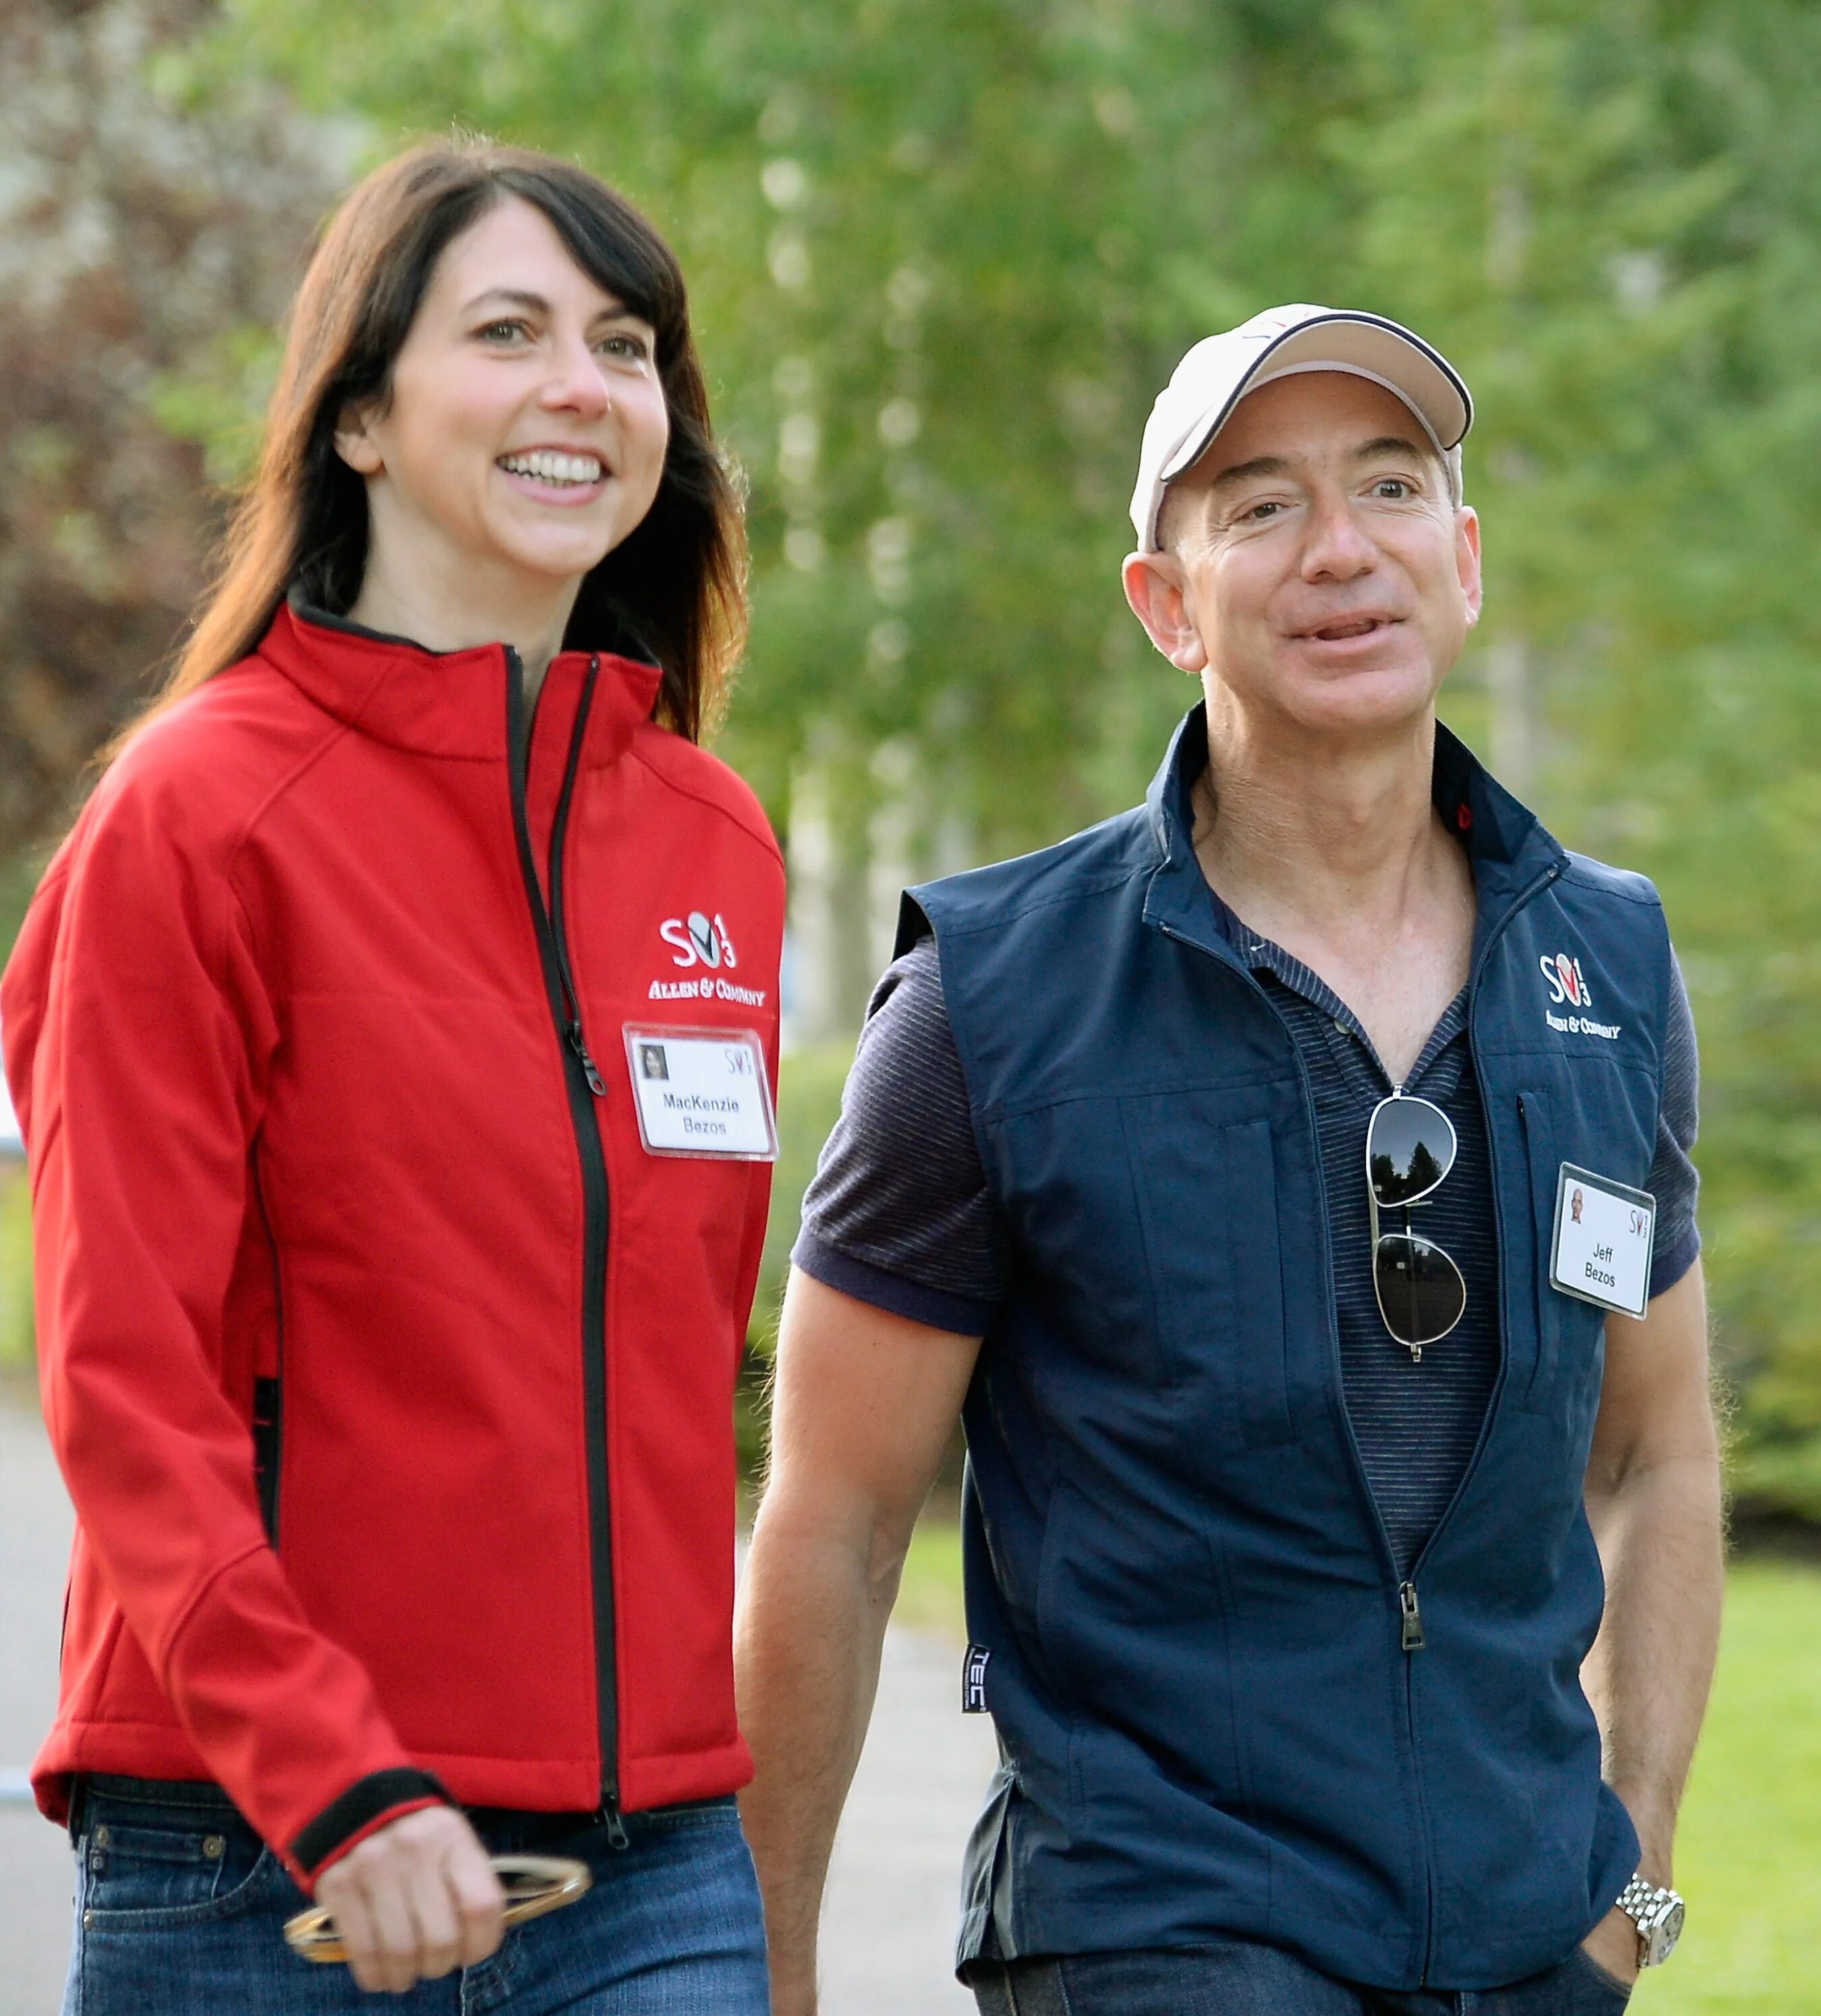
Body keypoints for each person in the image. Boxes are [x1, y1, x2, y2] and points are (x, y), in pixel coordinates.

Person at [735, 305, 1722, 2015]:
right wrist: (771, 1974)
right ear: (1165, 605)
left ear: (1464, 564)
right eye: (1259, 506)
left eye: (1391, 487)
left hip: (1535, 1946)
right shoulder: (990, 995)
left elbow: (1658, 1450)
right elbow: (834, 1518)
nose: (1342, 549)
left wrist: (1629, 1878)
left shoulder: (1609, 968)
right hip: (1154, 1926)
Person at [1, 138, 784, 2010]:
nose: (579, 390)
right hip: (269, 1859)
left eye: (622, 345)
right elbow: (126, 1376)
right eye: (505, 332)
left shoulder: (708, 837)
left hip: (653, 1855)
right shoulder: (197, 818)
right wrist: (331, 1775)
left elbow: (680, 1343)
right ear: (356, 414)